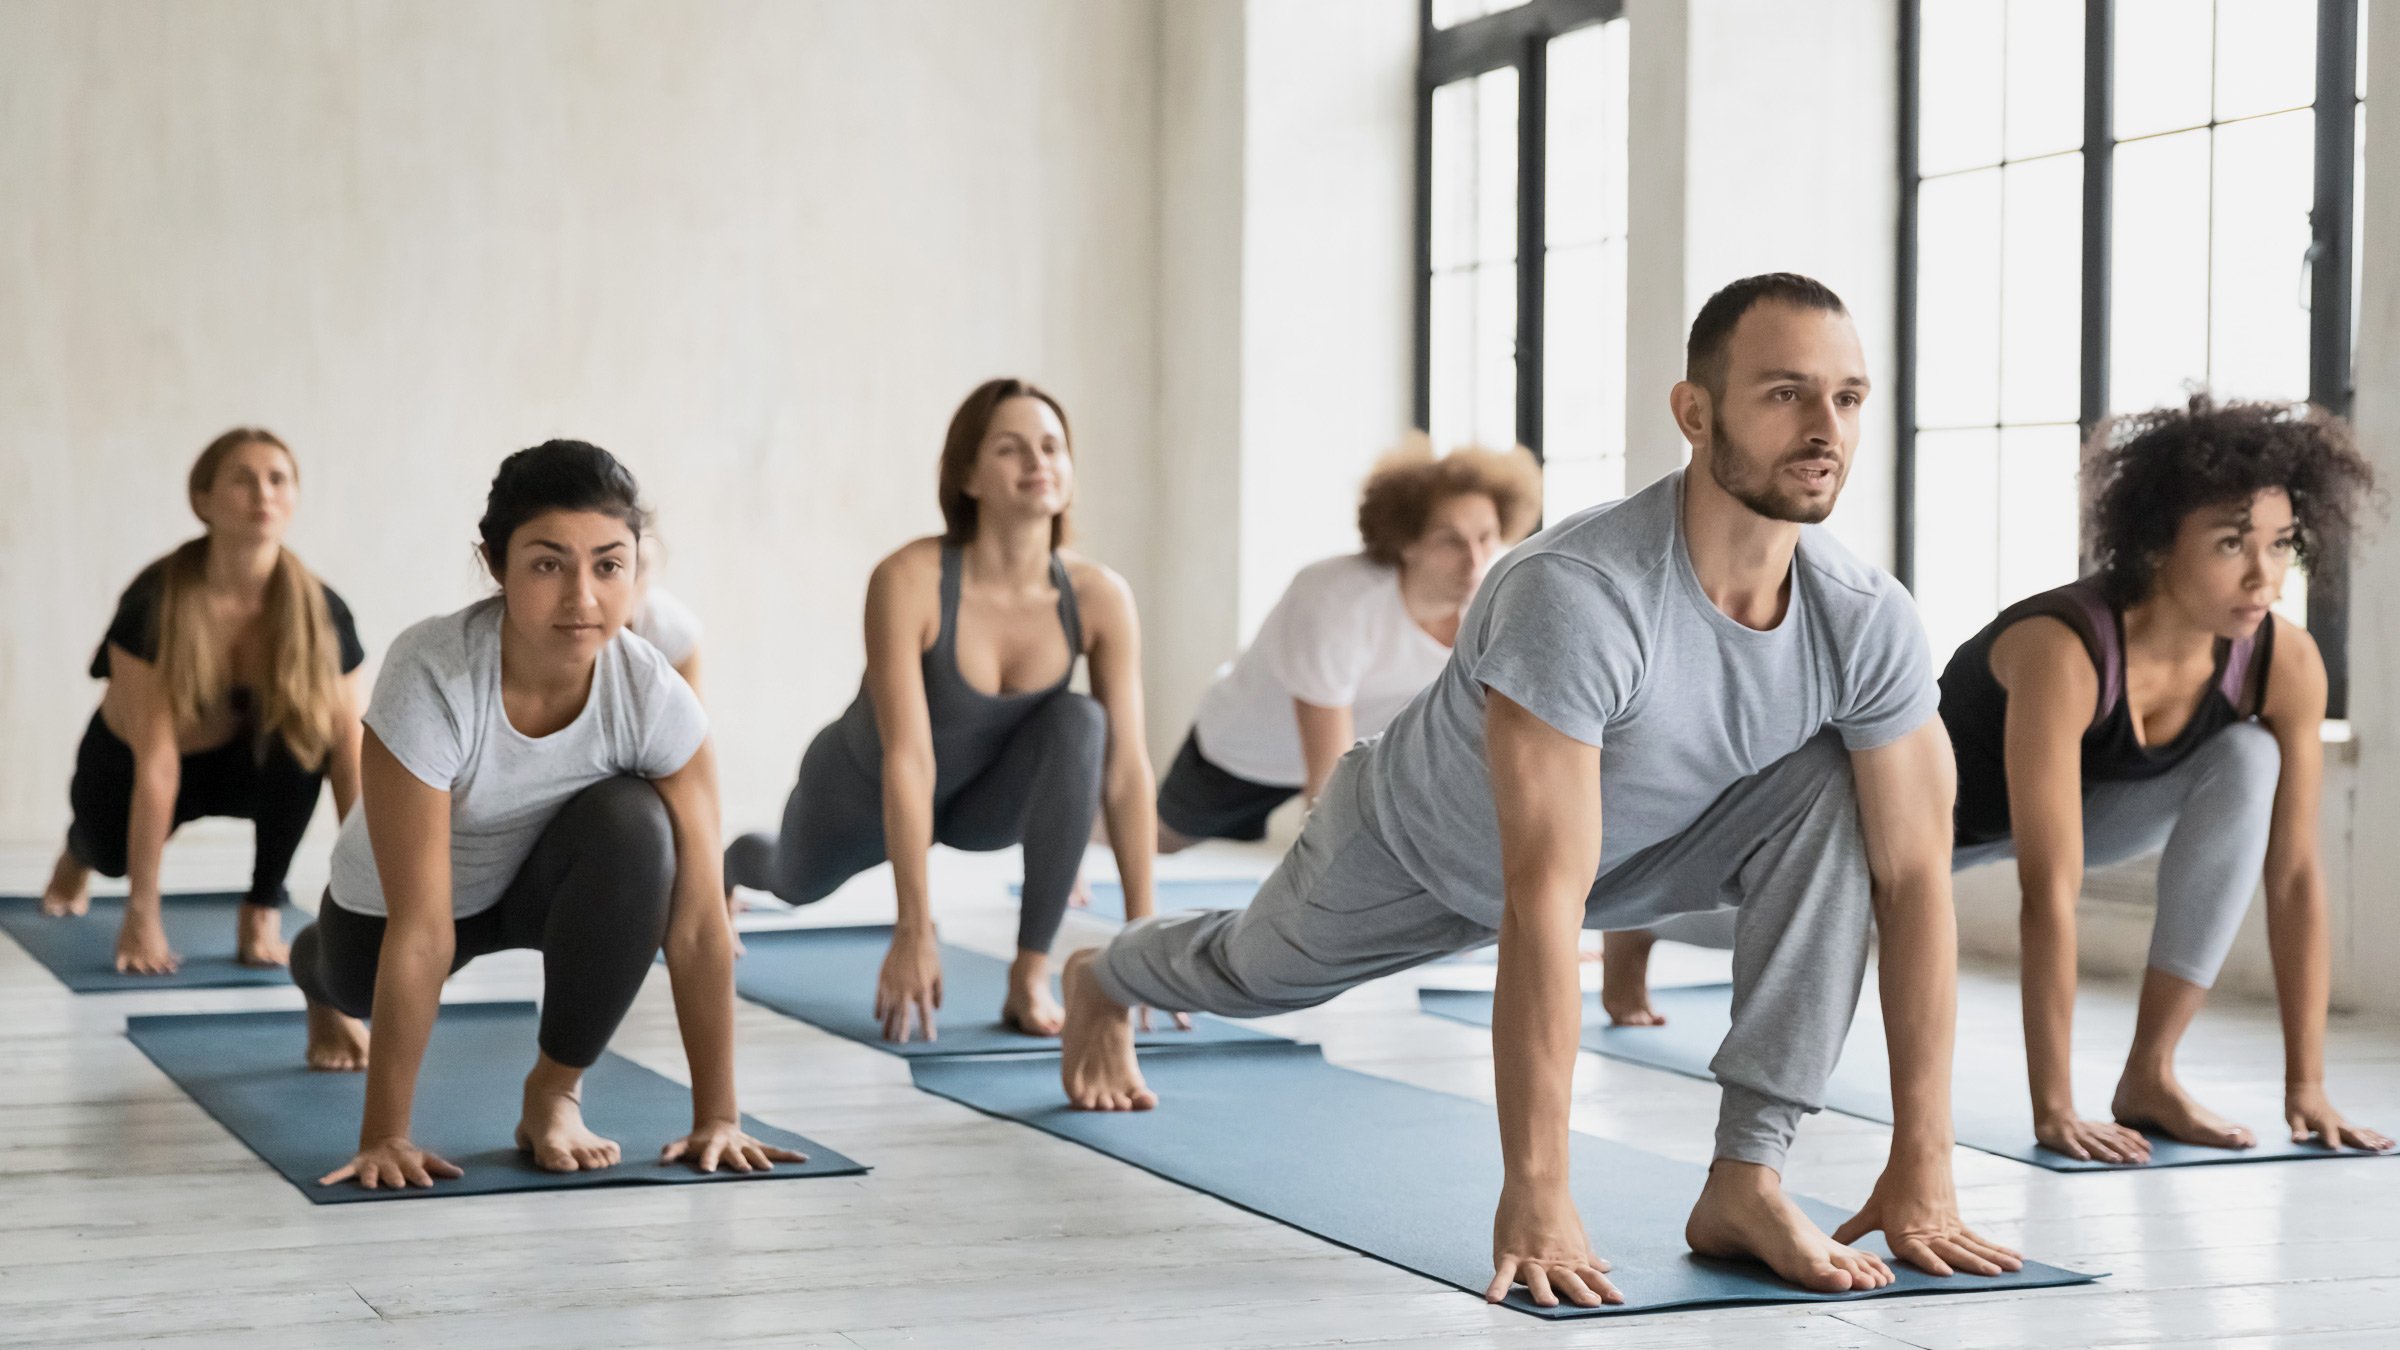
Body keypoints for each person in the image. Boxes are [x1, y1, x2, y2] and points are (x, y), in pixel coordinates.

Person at [1056, 274, 2020, 1308]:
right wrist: (1539, 1190)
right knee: (1249, 973)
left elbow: (1914, 882)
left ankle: (1748, 1175)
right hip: (1414, 849)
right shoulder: (1581, 593)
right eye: (1785, 393)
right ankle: (1105, 976)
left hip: (1649, 853)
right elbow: (1541, 895)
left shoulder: (1865, 617)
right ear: (1694, 413)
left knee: (1840, 789)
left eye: (1849, 397)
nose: (1825, 427)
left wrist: (1925, 1162)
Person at [291, 440, 798, 1188]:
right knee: (348, 983)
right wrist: (385, 1136)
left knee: (637, 826)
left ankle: (553, 1092)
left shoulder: (653, 695)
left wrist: (719, 1117)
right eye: (547, 563)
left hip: (541, 886)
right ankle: (310, 972)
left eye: (608, 564)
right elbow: (423, 928)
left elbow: (695, 925)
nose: (582, 598)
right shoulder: (432, 672)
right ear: (495, 565)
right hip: (405, 913)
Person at [1945, 399, 2385, 1161]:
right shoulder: (2064, 649)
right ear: (2153, 547)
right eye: (2229, 545)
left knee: (2251, 758)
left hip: (2090, 816)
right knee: (1717, 886)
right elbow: (2049, 893)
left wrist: (2307, 1086)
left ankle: (2151, 1074)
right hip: (1919, 828)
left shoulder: (2284, 661)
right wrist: (2055, 1110)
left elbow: (2295, 878)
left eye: (2281, 545)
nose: (2265, 577)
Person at [724, 378, 1164, 1042]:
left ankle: (1028, 978)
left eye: (1051, 447)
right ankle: (729, 865)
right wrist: (913, 927)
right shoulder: (909, 580)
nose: (1038, 463)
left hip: (982, 803)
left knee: (1083, 724)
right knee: (792, 880)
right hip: (865, 790)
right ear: (967, 475)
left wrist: (1143, 942)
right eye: (1011, 450)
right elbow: (908, 756)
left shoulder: (1099, 597)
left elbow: (1126, 772)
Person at [40, 428, 365, 974]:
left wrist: (369, 905)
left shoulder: (323, 613)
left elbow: (347, 755)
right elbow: (157, 762)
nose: (263, 494)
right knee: (110, 854)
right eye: (242, 479)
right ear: (203, 501)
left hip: (247, 765)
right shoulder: (154, 602)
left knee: (306, 741)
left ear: (293, 498)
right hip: (138, 764)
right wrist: (142, 914)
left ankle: (262, 907)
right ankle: (78, 853)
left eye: (277, 479)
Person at [1158, 441, 1539, 848]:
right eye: (1450, 541)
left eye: (1487, 537)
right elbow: (1328, 784)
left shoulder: (1490, 609)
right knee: (1158, 842)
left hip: (1357, 749)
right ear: (1406, 543)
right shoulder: (1336, 601)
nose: (1475, 560)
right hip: (1243, 748)